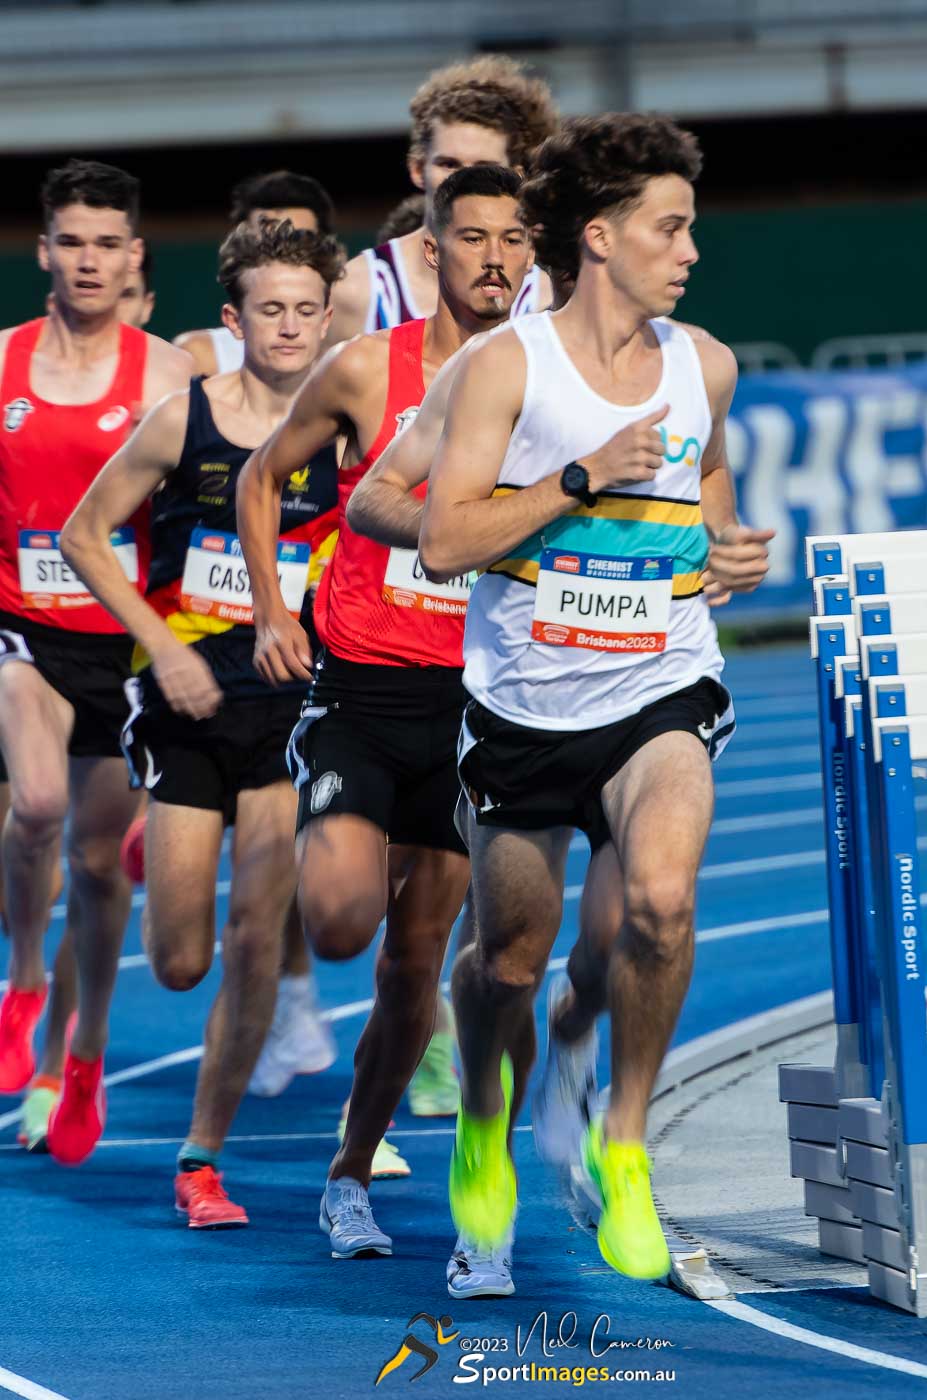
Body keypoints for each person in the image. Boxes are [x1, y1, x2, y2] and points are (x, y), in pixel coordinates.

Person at [417, 114, 774, 1281]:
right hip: (524, 707)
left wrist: (720, 545)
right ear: (602, 236)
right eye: (671, 228)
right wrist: (580, 479)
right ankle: (483, 1116)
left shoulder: (702, 361)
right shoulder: (505, 369)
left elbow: (709, 468)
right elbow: (440, 541)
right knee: (509, 963)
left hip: (661, 684)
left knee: (658, 907)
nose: (692, 250)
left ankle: (623, 1143)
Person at [236, 164, 533, 1269]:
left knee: (418, 963)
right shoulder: (368, 368)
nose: (493, 259)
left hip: (479, 700)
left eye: (512, 239)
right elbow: (265, 476)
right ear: (432, 253)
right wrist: (273, 605)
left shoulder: (544, 375)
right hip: (361, 687)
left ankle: (350, 1175)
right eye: (471, 239)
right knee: (345, 919)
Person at [61, 221, 345, 1225]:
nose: (290, 328)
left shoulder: (345, 429)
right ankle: (156, 839)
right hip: (187, 703)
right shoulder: (182, 421)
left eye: (307, 310)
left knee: (256, 933)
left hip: (290, 715)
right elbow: (84, 534)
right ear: (234, 321)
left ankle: (200, 1159)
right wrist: (165, 646)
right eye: (269, 309)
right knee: (180, 958)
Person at [0, 159, 192, 1165]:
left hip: (121, 644)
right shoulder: (2, 363)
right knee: (33, 806)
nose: (88, 259)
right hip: (23, 627)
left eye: (107, 243)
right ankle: (25, 977)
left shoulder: (166, 377)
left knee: (96, 864)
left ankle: (87, 1053)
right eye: (71, 241)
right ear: (44, 252)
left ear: (134, 258)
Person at [325, 56, 557, 342]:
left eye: (483, 167)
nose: (464, 180)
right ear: (418, 168)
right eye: (448, 164)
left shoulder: (543, 301)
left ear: (518, 176)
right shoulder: (357, 290)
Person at [175, 172, 336, 378]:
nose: (283, 254)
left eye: (300, 241)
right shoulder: (199, 357)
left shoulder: (355, 361)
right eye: (266, 241)